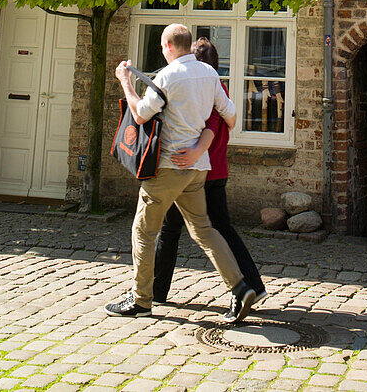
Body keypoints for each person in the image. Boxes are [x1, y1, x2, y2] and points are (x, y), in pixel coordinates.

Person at [104, 23, 257, 323]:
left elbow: (140, 113)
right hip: (197, 169)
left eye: (162, 47)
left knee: (144, 230)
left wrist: (125, 81)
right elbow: (230, 115)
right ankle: (240, 287)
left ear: (169, 46)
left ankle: (141, 299)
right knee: (204, 230)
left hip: (168, 168)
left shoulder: (167, 76)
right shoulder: (210, 74)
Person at [153, 37, 265, 305]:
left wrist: (193, 153)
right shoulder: (217, 90)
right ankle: (252, 285)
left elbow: (211, 129)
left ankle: (156, 292)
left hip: (196, 172)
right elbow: (229, 120)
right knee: (213, 230)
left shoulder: (206, 94)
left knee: (172, 231)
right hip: (211, 172)